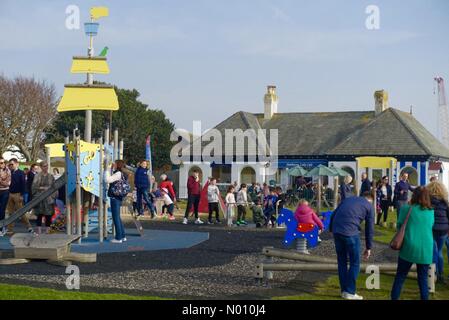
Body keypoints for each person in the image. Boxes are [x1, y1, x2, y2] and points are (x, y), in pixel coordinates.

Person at [391, 187, 434, 300]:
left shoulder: (406, 209)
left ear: (414, 195)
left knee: (400, 277)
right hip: (426, 248)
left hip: (409, 246)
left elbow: (400, 226)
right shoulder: (431, 212)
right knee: (423, 280)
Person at [330, 192, 374, 300]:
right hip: (350, 232)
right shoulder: (369, 206)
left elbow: (334, 214)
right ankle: (349, 291)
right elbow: (369, 228)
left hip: (337, 230)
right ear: (370, 200)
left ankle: (344, 291)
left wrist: (332, 229)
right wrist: (369, 247)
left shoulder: (348, 199)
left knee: (342, 262)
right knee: (355, 262)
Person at [426, 181, 449, 284]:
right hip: (444, 229)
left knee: (432, 251)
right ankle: (440, 274)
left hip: (432, 228)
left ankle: (432, 274)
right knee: (439, 252)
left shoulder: (428, 201)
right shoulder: (445, 202)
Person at [6, 158, 33, 234]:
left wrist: (22, 195)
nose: (10, 166)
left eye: (12, 164)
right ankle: (10, 229)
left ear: (16, 164)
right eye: (9, 164)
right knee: (10, 212)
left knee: (21, 212)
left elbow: (23, 184)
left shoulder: (21, 172)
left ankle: (29, 226)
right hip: (10, 194)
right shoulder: (9, 172)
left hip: (18, 194)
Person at [105, 160, 128, 244]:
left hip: (115, 196)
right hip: (119, 196)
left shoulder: (118, 173)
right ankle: (123, 235)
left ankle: (118, 238)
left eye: (114, 164)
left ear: (118, 165)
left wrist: (106, 170)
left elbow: (108, 180)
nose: (113, 165)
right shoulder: (122, 173)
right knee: (118, 217)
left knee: (115, 217)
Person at [31, 162, 56, 234]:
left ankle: (47, 229)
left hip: (49, 197)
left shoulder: (51, 176)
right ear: (41, 167)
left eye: (47, 166)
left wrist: (53, 196)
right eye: (44, 166)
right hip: (39, 197)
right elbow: (34, 187)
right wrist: (42, 188)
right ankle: (39, 229)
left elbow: (54, 187)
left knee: (48, 214)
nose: (46, 167)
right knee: (39, 214)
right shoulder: (37, 176)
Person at [0, 159, 11, 236]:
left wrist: (1, 181)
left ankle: (1, 228)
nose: (2, 164)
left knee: (2, 209)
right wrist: (3, 181)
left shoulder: (8, 171)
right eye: (0, 163)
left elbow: (8, 183)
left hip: (5, 192)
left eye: (3, 162)